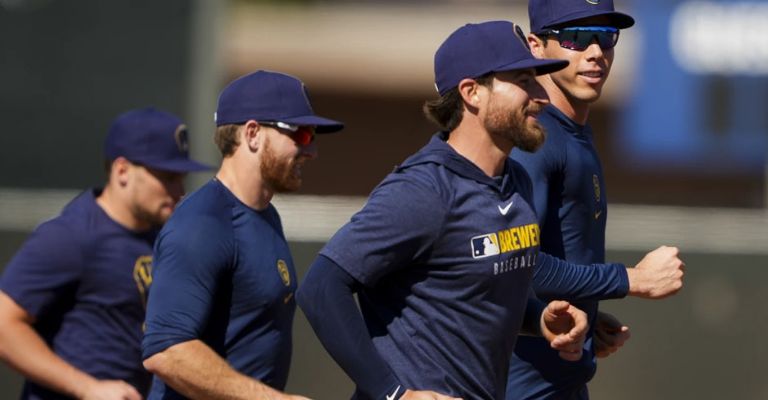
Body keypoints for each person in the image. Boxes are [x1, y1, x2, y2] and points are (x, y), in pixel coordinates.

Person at [297, 21, 592, 400]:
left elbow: (471, 298)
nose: (542, 97)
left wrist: (540, 320)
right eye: (524, 81)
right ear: (472, 93)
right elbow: (320, 288)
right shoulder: (423, 189)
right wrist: (393, 394)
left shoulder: (516, 180)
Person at [506, 0, 685, 398]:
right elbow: (517, 265)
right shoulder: (536, 139)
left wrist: (585, 310)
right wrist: (630, 279)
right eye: (575, 37)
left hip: (559, 382)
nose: (594, 52)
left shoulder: (572, 130)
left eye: (605, 37)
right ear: (536, 46)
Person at [141, 70, 344, 400]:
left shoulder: (266, 215)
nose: (312, 151)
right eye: (302, 134)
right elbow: (166, 351)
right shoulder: (202, 224)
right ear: (252, 134)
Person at [0, 107, 211, 400]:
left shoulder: (162, 237)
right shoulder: (72, 235)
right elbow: (3, 323)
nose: (178, 189)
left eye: (180, 177)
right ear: (122, 170)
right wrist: (86, 387)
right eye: (166, 176)